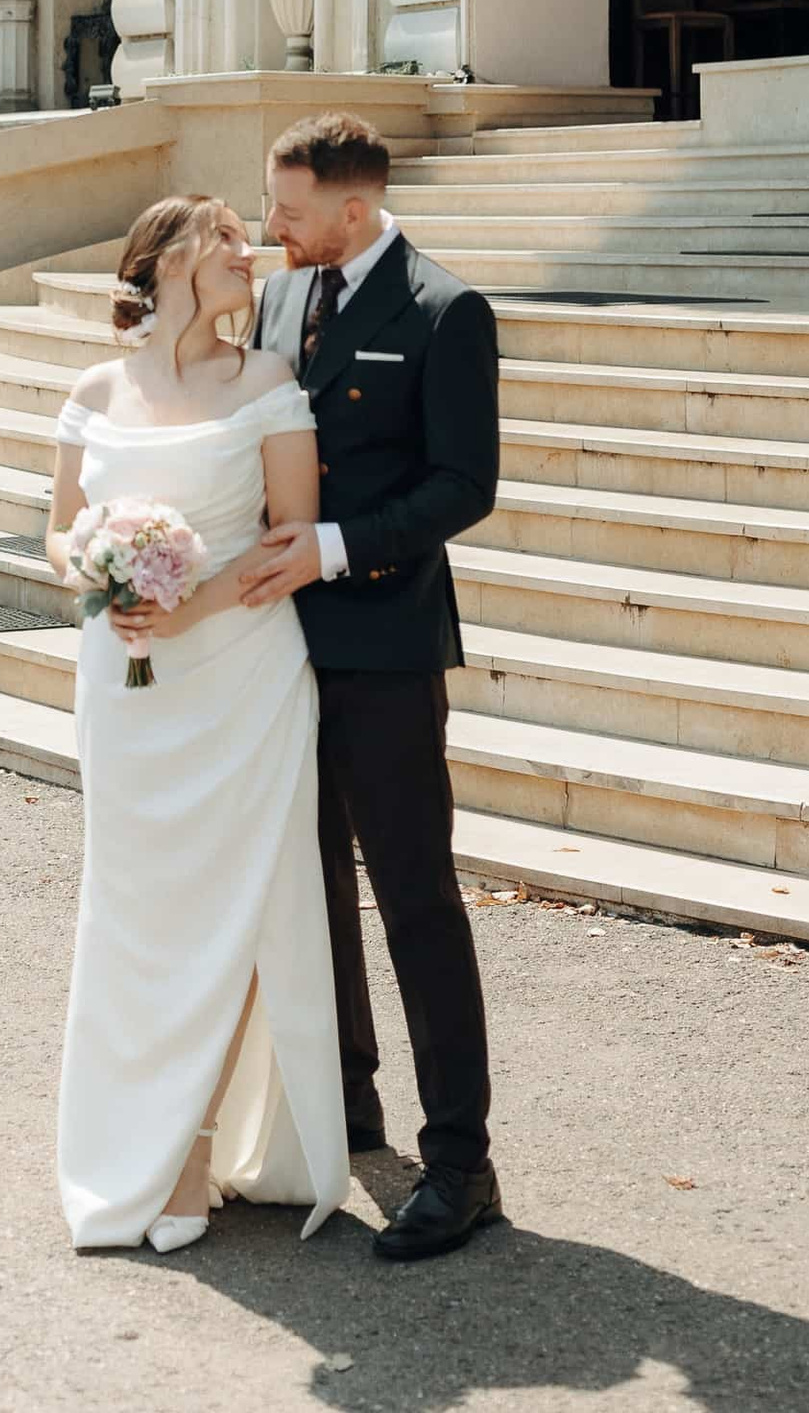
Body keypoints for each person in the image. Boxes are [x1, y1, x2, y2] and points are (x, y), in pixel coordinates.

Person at [46, 193, 348, 1254]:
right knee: (134, 909)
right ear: (165, 257)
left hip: (241, 671)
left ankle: (193, 1145)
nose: (246, 251)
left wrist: (190, 604)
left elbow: (291, 538)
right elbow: (56, 532)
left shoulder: (267, 383)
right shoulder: (95, 390)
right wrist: (99, 577)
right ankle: (125, 1128)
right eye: (222, 237)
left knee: (238, 906)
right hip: (123, 676)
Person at [243, 108, 504, 1263]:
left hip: (387, 645)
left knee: (413, 898)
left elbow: (463, 485)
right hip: (275, 650)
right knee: (309, 889)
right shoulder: (278, 299)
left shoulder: (446, 310)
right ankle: (346, 1103)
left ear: (353, 209)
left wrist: (337, 549)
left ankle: (460, 1162)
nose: (271, 226)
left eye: (288, 210)